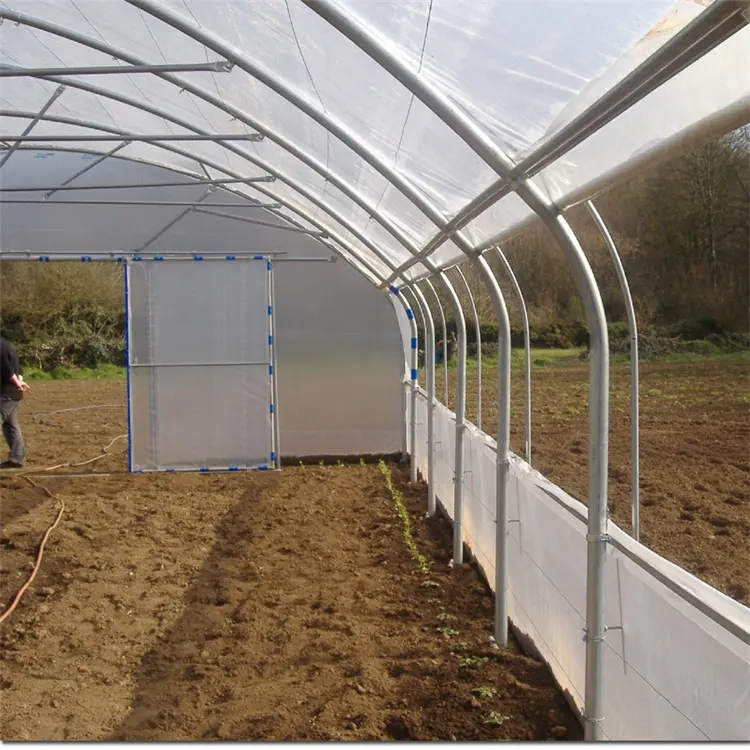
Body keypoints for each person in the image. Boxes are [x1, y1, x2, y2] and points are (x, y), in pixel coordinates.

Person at [1, 336, 30, 469]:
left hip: (5, 394)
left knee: (9, 425)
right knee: (11, 425)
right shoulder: (8, 345)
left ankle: (17, 458)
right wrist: (19, 381)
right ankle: (17, 459)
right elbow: (18, 369)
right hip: (14, 394)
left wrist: (17, 382)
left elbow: (6, 369)